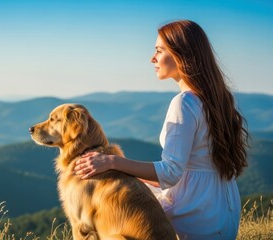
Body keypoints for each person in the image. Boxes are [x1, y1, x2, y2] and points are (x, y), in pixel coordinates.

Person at [73, 20, 249, 239]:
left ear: (181, 54)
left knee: (117, 200)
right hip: (221, 208)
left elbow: (171, 172)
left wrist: (111, 162)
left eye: (159, 51)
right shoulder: (216, 98)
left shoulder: (184, 102)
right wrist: (123, 168)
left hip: (197, 213)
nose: (152, 58)